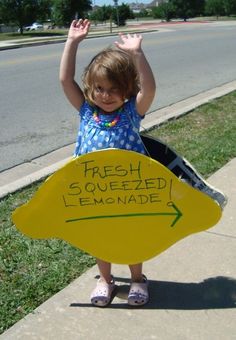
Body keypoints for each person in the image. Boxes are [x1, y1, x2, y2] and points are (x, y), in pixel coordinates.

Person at [60, 19, 156, 307]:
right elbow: (66, 80)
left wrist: (137, 54)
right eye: (100, 88)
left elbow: (149, 90)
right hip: (94, 192)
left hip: (129, 192)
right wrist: (72, 42)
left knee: (131, 235)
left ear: (127, 89)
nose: (106, 95)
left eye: (114, 89)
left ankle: (138, 279)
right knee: (100, 235)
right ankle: (106, 279)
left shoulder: (130, 113)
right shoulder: (88, 112)